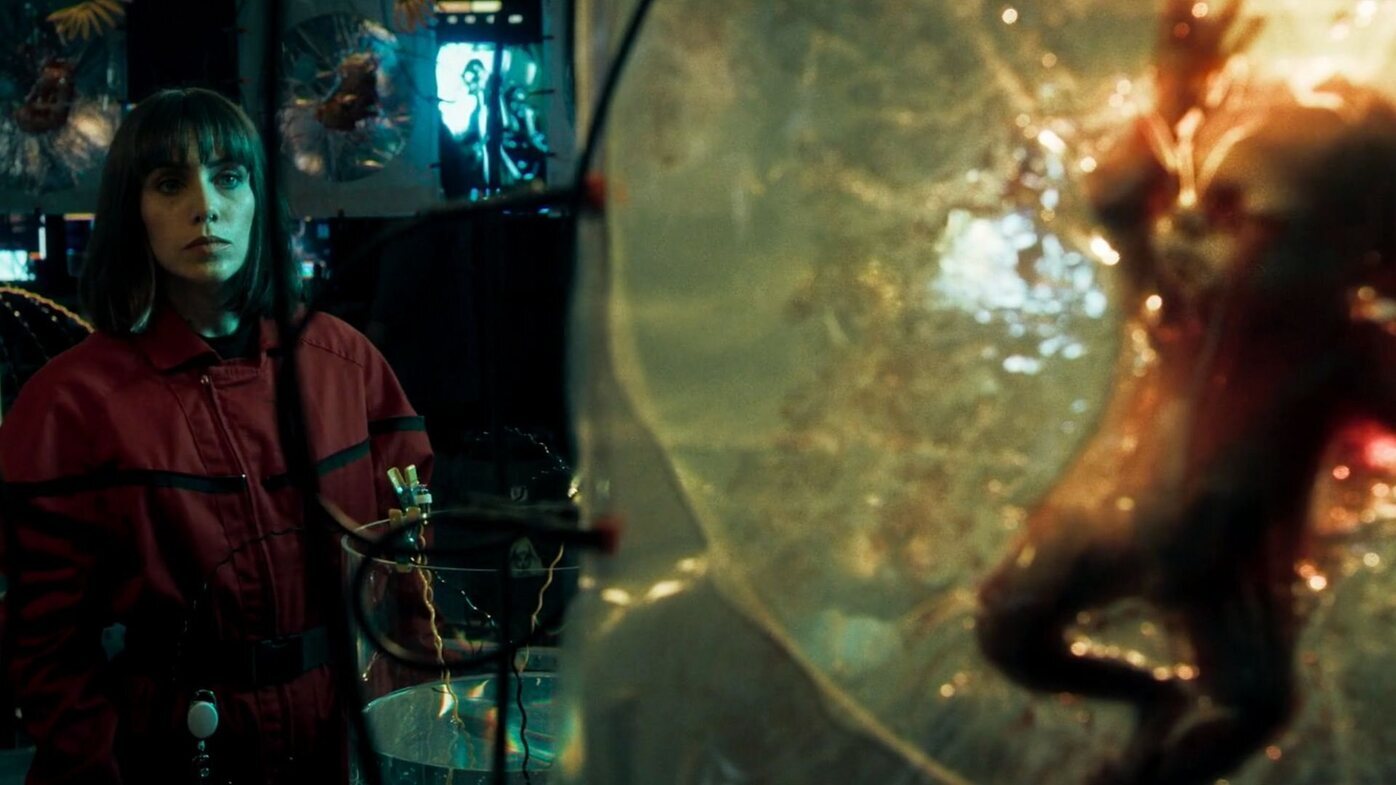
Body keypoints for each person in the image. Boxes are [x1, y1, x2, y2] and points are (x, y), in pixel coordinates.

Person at [974, 2, 1396, 783]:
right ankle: (1152, 703)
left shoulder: (1337, 348)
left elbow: (1120, 199)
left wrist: (1178, 91)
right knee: (1010, 629)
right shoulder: (1196, 309)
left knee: (1252, 703)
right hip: (1139, 527)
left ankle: (1149, 744)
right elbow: (1118, 200)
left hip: (1206, 550)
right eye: (1257, 224)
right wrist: (1177, 90)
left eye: (1302, 233)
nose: (1266, 249)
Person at [0, 87, 432, 784]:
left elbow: (412, 570)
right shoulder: (70, 404)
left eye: (228, 177)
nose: (205, 206)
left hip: (344, 734)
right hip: (166, 747)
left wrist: (418, 724)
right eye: (170, 183)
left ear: (258, 197)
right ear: (132, 209)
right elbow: (46, 644)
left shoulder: (343, 363)